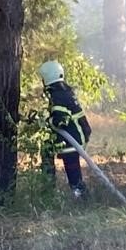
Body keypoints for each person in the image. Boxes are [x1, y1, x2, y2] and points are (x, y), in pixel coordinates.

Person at [38, 60, 92, 199]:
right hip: (75, 136)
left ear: (47, 78)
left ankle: (80, 195)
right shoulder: (63, 92)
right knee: (47, 150)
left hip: (72, 139)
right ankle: (48, 188)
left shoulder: (58, 95)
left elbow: (60, 121)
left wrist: (47, 122)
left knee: (72, 168)